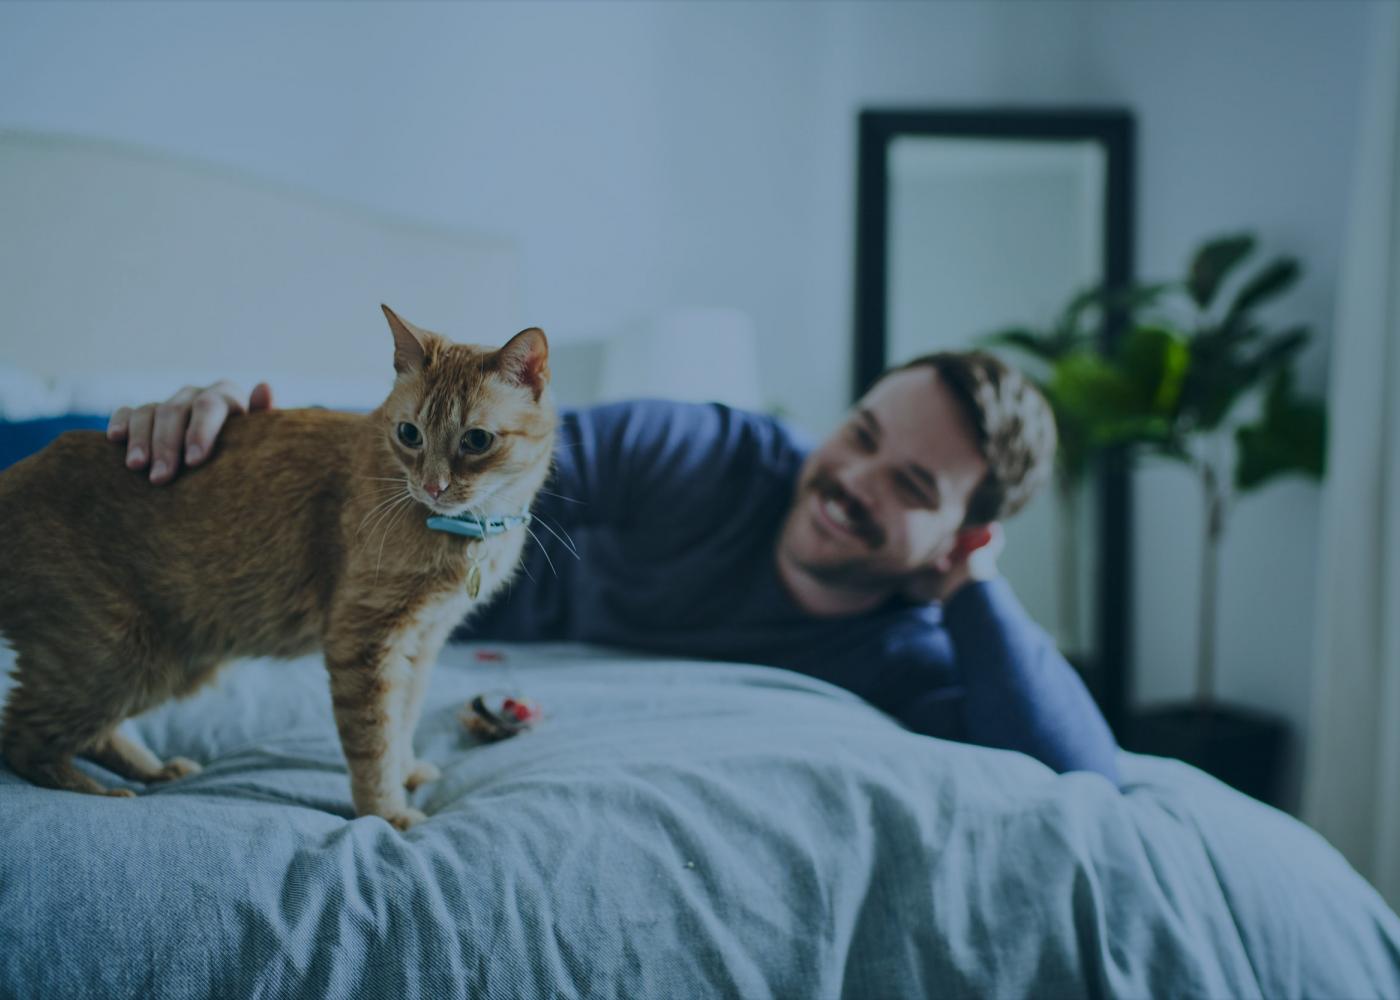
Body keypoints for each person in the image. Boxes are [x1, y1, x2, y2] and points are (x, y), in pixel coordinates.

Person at [108, 351, 1121, 785]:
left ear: (958, 541)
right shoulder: (714, 453)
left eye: (908, 485)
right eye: (856, 431)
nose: (848, 479)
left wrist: (975, 590)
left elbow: (1082, 771)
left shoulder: (907, 644)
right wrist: (263, 448)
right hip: (286, 506)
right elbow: (473, 456)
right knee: (106, 460)